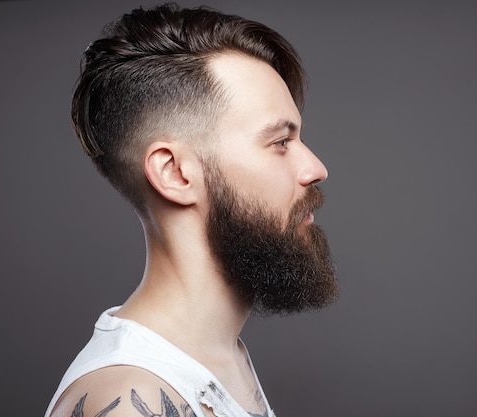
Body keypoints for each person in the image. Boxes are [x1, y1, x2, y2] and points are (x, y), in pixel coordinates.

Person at [44, 3, 338, 417]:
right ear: (176, 174)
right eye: (279, 143)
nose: (315, 169)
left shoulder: (220, 358)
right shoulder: (130, 399)